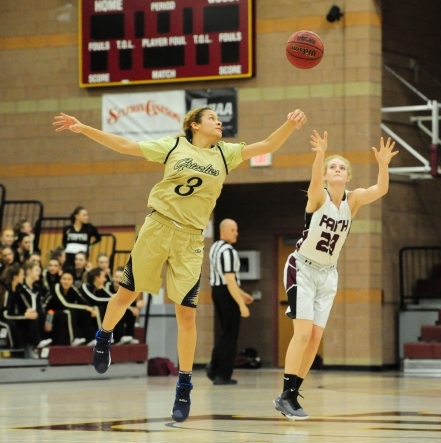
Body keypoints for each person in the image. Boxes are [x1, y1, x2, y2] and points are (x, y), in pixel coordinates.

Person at [53, 105, 307, 422]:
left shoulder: (226, 154)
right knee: (125, 295)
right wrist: (84, 128)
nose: (218, 122)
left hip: (190, 239)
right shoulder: (173, 145)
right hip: (157, 228)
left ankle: (184, 384)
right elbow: (126, 146)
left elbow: (267, 146)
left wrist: (288, 123)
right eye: (212, 118)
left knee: (187, 315)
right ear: (195, 124)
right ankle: (104, 337)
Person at [273, 130, 397, 421]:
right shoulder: (318, 196)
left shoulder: (353, 201)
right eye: (333, 167)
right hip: (301, 267)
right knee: (302, 333)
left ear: (348, 176)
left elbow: (380, 189)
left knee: (316, 339)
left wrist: (383, 163)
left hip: (328, 274)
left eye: (342, 167)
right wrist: (320, 155)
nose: (337, 170)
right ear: (327, 176)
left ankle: (288, 396)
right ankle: (287, 394)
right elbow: (315, 179)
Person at [207, 218, 254, 385]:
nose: (236, 233)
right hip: (227, 294)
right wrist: (241, 304)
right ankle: (221, 373)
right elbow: (230, 280)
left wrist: (242, 294)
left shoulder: (214, 248)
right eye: (233, 230)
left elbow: (223, 279)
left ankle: (214, 366)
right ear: (224, 230)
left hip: (217, 292)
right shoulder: (228, 251)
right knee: (230, 334)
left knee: (225, 332)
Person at [2, 263, 53, 358]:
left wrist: (27, 314)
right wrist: (24, 316)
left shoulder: (16, 289)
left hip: (13, 315)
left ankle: (36, 344)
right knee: (16, 323)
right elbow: (5, 313)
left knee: (37, 314)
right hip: (4, 317)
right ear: (15, 277)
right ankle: (23, 348)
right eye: (21, 275)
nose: (23, 277)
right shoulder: (8, 290)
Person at [43, 270, 99, 346]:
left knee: (85, 312)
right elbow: (65, 304)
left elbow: (82, 300)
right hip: (49, 313)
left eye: (69, 279)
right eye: (64, 279)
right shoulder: (56, 287)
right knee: (70, 311)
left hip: (62, 312)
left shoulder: (73, 288)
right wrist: (86, 307)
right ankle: (73, 339)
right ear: (60, 280)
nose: (66, 281)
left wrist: (91, 309)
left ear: (72, 281)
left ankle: (91, 339)